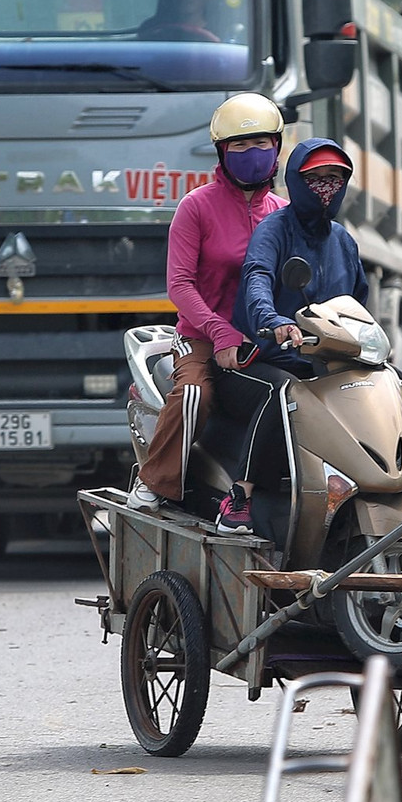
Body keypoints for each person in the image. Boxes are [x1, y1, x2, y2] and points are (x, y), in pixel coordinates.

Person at [129, 94, 286, 509]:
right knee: (195, 394)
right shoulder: (196, 207)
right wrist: (219, 331)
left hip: (265, 340)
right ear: (221, 151)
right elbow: (179, 285)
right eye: (239, 145)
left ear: (278, 148)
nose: (251, 154)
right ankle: (155, 482)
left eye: (261, 144)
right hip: (200, 336)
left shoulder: (284, 214)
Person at [212, 139, 367, 533]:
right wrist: (273, 319)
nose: (325, 187)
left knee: (386, 386)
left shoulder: (343, 241)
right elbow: (258, 277)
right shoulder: (274, 230)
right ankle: (240, 497)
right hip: (260, 359)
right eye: (314, 179)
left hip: (320, 362)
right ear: (296, 182)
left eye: (334, 178)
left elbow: (359, 304)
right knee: (281, 392)